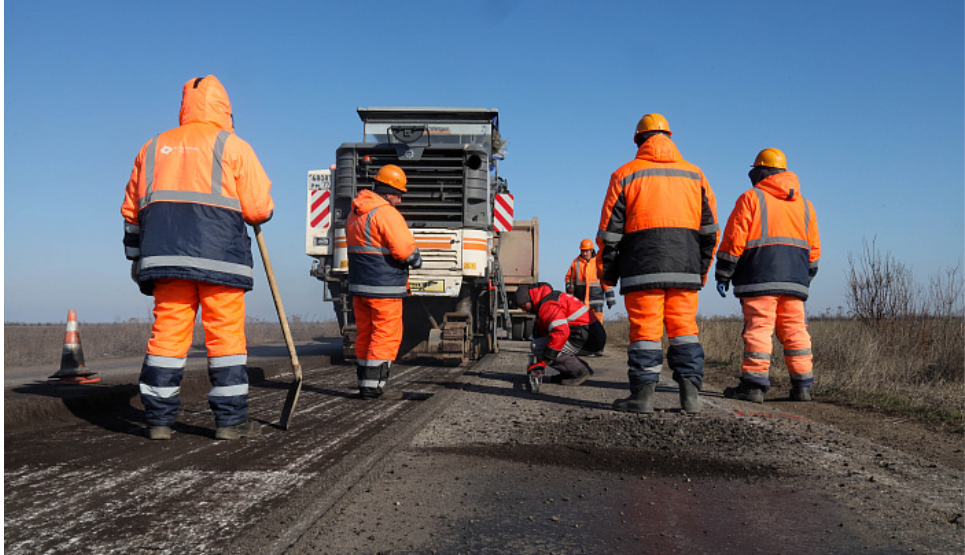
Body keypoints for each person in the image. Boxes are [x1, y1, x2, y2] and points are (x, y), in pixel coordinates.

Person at [122, 75, 274, 441]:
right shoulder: (233, 146)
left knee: (168, 337)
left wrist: (135, 258)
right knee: (225, 339)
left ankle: (158, 421)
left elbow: (131, 212)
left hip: (165, 260)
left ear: (184, 106)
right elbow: (258, 209)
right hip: (221, 261)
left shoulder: (152, 147)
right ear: (225, 108)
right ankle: (230, 422)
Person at [596, 113, 719, 414]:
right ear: (670, 137)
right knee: (685, 330)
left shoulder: (624, 174)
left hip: (641, 268)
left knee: (646, 332)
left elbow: (609, 235)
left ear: (639, 140)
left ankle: (642, 397)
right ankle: (690, 397)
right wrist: (700, 271)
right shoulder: (695, 175)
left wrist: (608, 275)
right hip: (685, 268)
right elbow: (710, 233)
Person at [715, 148, 821, 403]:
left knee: (759, 329)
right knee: (796, 331)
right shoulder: (806, 205)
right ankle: (802, 387)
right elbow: (814, 248)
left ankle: (753, 386)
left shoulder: (751, 198)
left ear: (760, 172)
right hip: (794, 281)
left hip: (759, 277)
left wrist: (723, 273)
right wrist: (805, 276)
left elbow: (734, 238)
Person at [346, 164, 422, 400]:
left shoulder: (356, 212)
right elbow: (404, 251)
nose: (399, 200)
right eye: (398, 194)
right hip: (384, 288)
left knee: (365, 335)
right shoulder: (386, 213)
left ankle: (364, 383)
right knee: (384, 335)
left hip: (360, 287)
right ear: (388, 191)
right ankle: (373, 388)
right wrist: (416, 258)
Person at [516, 282, 607, 386]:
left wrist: (543, 362)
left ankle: (579, 372)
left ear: (530, 299)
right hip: (590, 335)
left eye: (523, 306)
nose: (523, 311)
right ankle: (571, 371)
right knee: (543, 343)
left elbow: (560, 332)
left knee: (538, 346)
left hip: (588, 338)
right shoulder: (550, 299)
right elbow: (543, 333)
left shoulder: (548, 305)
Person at [565, 238, 616, 323]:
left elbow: (606, 281)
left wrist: (610, 298)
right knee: (581, 326)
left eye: (586, 251)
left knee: (598, 326)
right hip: (580, 301)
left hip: (596, 301)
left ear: (591, 250)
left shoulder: (599, 262)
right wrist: (569, 287)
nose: (584, 253)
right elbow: (569, 278)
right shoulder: (576, 262)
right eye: (583, 251)